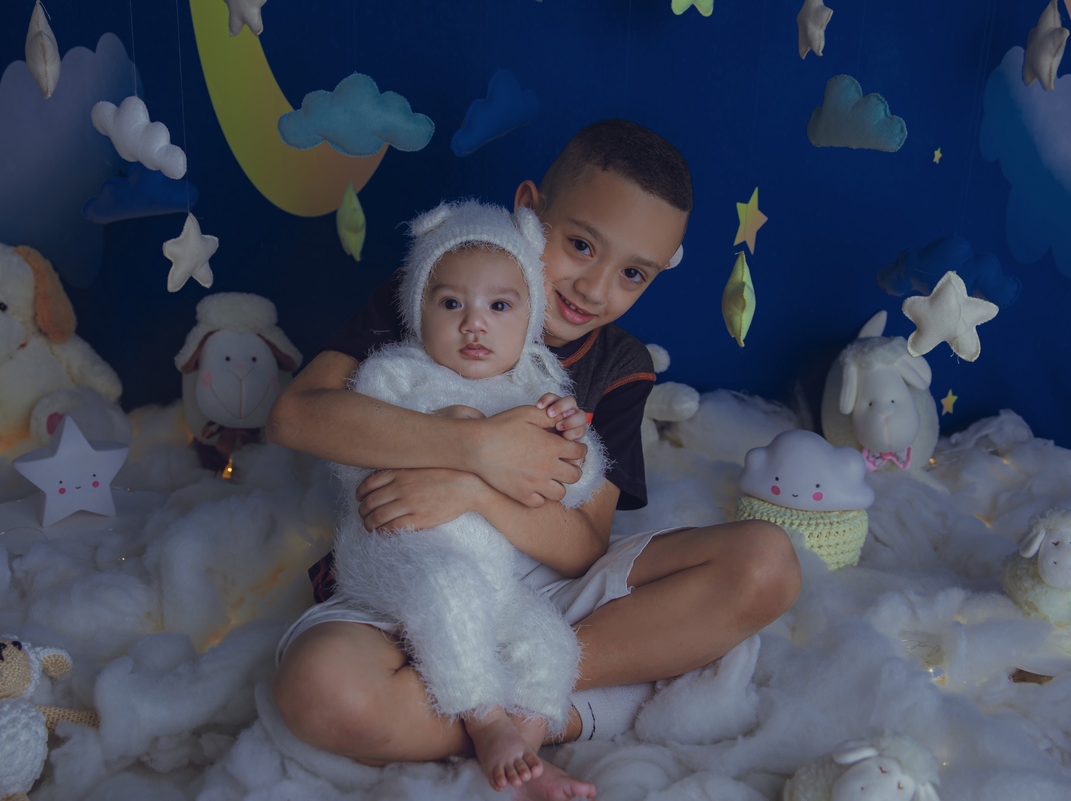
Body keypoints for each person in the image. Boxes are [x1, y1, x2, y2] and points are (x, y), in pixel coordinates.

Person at [268, 119, 802, 801]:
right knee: (320, 692)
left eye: (632, 273)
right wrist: (474, 447)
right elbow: (295, 415)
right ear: (529, 211)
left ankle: (515, 711)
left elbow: (583, 550)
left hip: (547, 596)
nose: (595, 288)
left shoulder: (619, 363)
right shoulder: (443, 284)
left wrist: (475, 491)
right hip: (412, 579)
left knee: (765, 564)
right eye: (580, 245)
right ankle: (573, 710)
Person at [329, 199, 606, 792]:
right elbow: (354, 465)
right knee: (448, 589)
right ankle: (487, 725)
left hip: (497, 579)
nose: (474, 324)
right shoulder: (395, 374)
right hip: (401, 555)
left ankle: (526, 757)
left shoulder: (534, 389)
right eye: (451, 303)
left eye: (499, 306)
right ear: (418, 309)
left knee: (551, 643)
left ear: (530, 317)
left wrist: (573, 444)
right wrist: (443, 436)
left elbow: (573, 487)